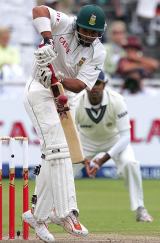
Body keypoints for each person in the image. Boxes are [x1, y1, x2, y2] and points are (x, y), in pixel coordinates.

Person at [22, 4, 106, 243]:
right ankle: (66, 212)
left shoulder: (98, 52)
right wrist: (48, 41)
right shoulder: (64, 23)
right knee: (58, 150)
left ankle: (37, 216)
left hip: (66, 97)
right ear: (77, 25)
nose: (89, 35)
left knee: (57, 154)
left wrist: (57, 78)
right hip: (39, 90)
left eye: (94, 32)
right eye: (85, 30)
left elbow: (80, 85)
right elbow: (38, 10)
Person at [75, 70, 153, 223]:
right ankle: (62, 211)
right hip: (85, 142)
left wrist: (101, 160)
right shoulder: (76, 102)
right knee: (65, 168)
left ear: (104, 85)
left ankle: (140, 209)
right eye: (91, 83)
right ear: (85, 86)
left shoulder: (117, 100)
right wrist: (84, 159)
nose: (94, 87)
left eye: (98, 83)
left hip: (114, 140)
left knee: (131, 164)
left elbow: (125, 137)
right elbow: (72, 133)